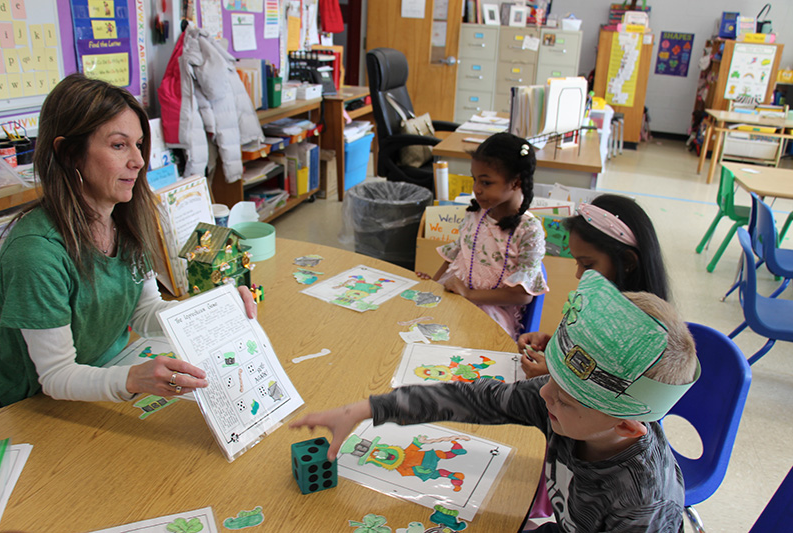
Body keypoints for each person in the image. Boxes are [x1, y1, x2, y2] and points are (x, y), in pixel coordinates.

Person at [291, 271, 700, 532]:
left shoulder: (643, 506)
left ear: (627, 427)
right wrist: (367, 409)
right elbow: (471, 397)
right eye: (552, 378)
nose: (544, 393)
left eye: (564, 396)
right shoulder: (568, 406)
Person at [0, 74, 256, 409]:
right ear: (68, 153)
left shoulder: (123, 218)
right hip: (30, 406)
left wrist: (214, 309)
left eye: (138, 144)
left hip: (102, 375)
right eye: (119, 145)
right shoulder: (36, 252)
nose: (139, 160)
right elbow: (56, 375)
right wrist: (134, 379)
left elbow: (145, 311)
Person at [519, 194, 669, 378]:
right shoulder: (603, 303)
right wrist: (557, 347)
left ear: (628, 261)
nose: (579, 275)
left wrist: (555, 374)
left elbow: (608, 390)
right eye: (577, 263)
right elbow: (591, 359)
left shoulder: (642, 333)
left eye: (587, 265)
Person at [417, 132, 548, 339]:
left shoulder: (529, 230)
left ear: (515, 183)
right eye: (475, 180)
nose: (476, 189)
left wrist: (469, 294)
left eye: (486, 183)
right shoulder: (475, 214)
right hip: (457, 300)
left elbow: (523, 296)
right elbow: (455, 257)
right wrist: (433, 286)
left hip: (493, 315)